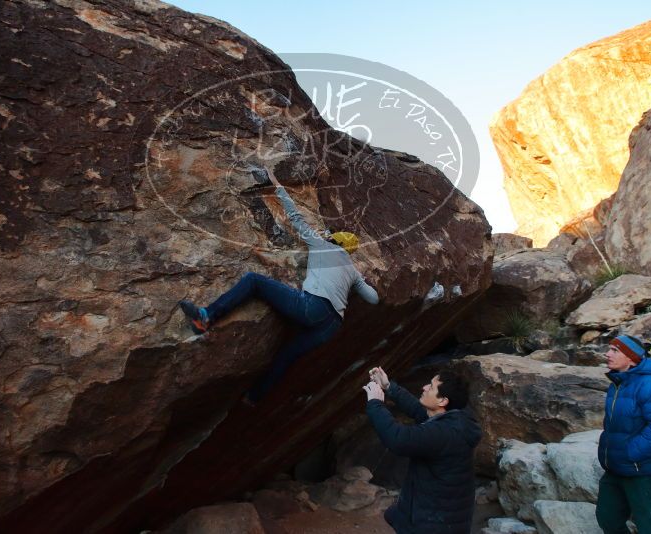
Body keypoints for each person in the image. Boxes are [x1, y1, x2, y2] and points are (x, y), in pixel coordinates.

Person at [179, 165, 379, 403]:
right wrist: (359, 280)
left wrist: (277, 185)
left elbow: (295, 217)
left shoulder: (323, 245)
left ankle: (206, 317)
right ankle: (254, 397)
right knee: (287, 355)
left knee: (254, 281)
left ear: (335, 240)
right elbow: (373, 298)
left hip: (313, 307)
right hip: (330, 326)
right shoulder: (353, 271)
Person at [364, 367, 481, 534]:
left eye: (431, 387)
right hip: (442, 517)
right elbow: (418, 410)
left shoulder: (445, 433)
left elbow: (398, 439)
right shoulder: (455, 420)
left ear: (443, 401)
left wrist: (375, 403)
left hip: (434, 523)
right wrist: (389, 386)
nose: (424, 387)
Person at [595, 334, 651, 534]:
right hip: (615, 467)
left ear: (632, 359)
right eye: (609, 349)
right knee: (607, 519)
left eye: (615, 350)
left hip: (642, 470)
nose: (607, 354)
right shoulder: (617, 384)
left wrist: (630, 453)